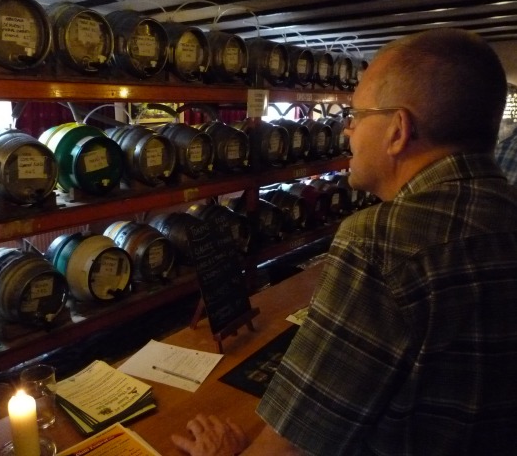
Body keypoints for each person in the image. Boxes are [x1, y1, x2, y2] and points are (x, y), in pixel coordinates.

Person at [171, 28, 517, 455]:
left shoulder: (380, 240)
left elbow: (294, 444)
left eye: (357, 114)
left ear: (397, 130)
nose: (348, 131)